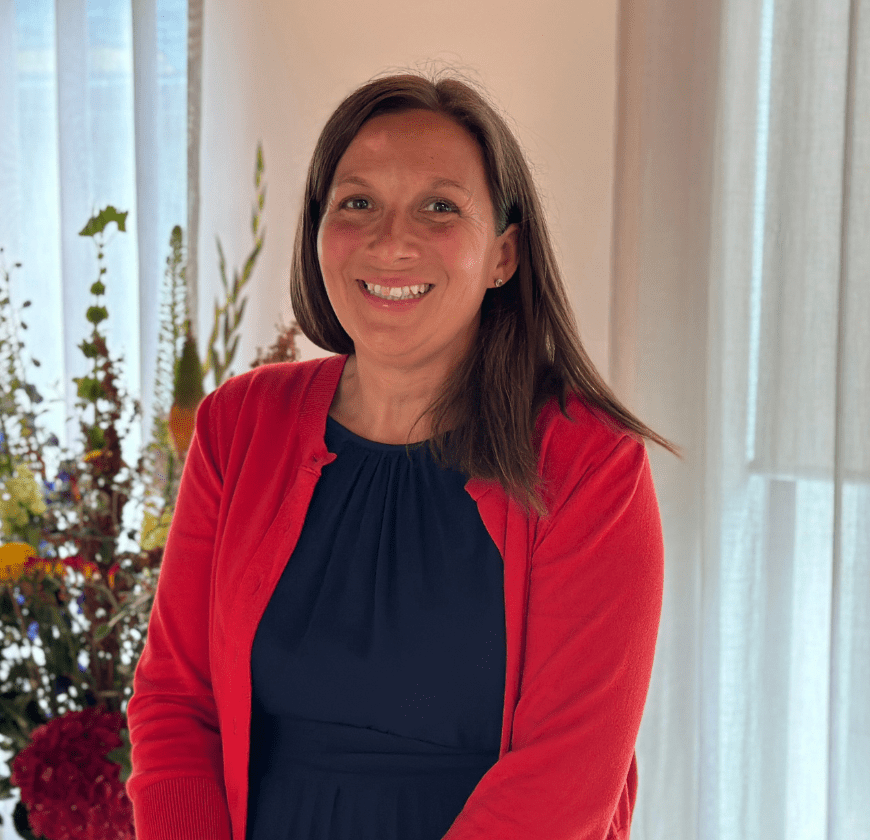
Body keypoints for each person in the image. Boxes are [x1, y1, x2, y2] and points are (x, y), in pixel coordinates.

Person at [124, 72, 678, 840]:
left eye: (440, 206)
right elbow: (176, 703)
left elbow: (570, 775)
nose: (391, 240)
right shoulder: (237, 425)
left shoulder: (591, 463)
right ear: (318, 230)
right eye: (357, 203)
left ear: (503, 256)